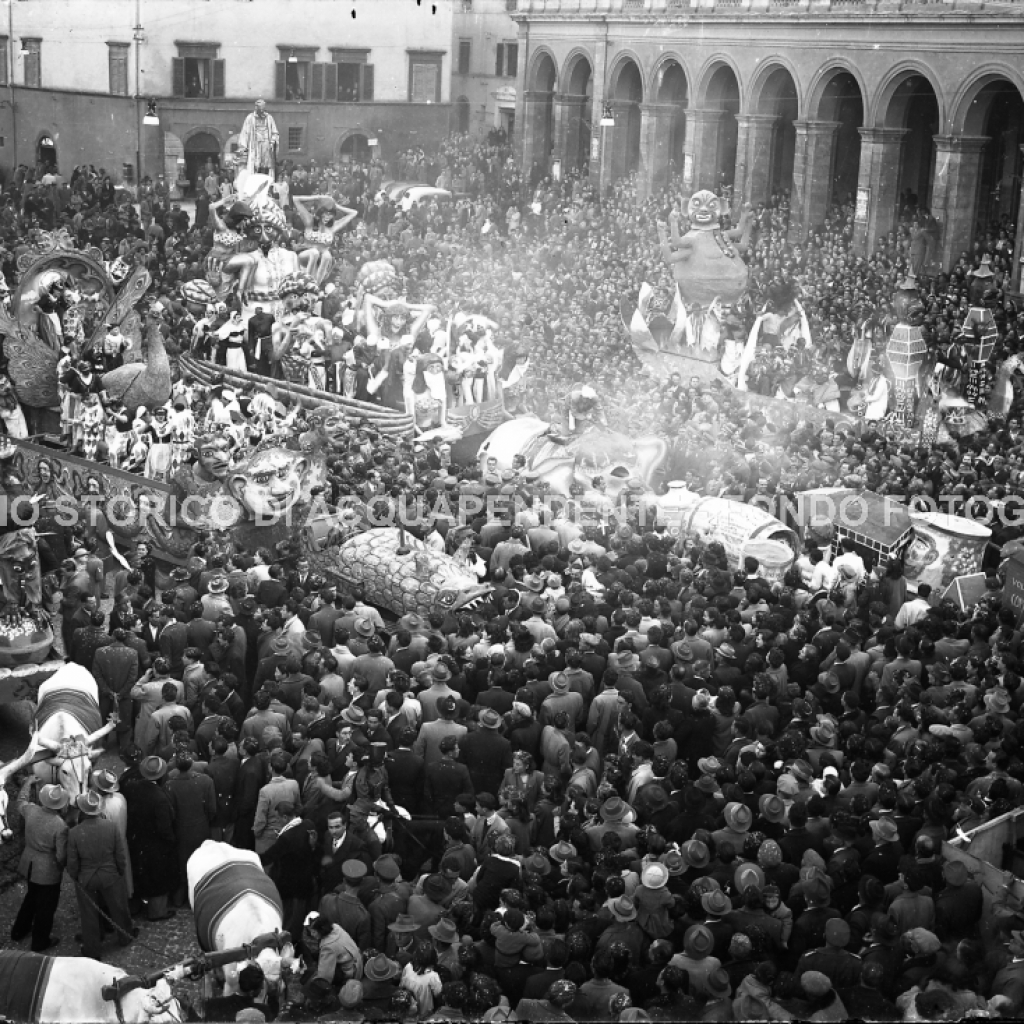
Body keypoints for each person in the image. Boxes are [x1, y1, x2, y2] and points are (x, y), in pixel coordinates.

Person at [10, 781, 68, 952]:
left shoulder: (31, 810)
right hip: (48, 871)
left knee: (31, 896)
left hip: (28, 863)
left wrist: (28, 783)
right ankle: (40, 942)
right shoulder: (60, 825)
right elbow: (61, 855)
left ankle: (19, 930)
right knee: (46, 907)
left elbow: (20, 800)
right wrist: (63, 866)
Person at [238, 99, 279, 178]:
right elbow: (245, 132)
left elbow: (275, 132)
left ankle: (265, 180)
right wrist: (243, 146)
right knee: (255, 164)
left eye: (261, 108)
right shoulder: (250, 118)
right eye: (257, 108)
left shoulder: (269, 118)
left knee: (266, 165)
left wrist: (272, 142)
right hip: (255, 144)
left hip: (266, 144)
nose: (259, 110)